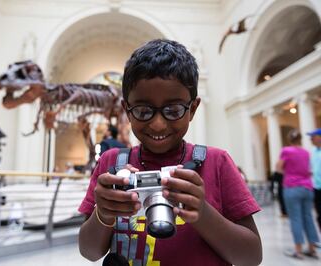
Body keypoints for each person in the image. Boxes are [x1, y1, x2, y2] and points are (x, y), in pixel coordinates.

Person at [78, 39, 262, 265]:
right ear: (127, 110)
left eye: (173, 110)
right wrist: (103, 214)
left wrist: (202, 212)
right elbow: (89, 251)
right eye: (144, 111)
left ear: (192, 109)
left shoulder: (216, 162)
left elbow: (251, 257)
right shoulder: (112, 164)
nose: (158, 125)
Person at [276, 129, 319, 259]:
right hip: (307, 187)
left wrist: (289, 174)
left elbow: (278, 168)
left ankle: (298, 250)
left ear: (290, 139)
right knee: (308, 217)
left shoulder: (286, 151)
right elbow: (308, 170)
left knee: (295, 218)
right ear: (300, 139)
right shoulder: (306, 152)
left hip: (292, 187)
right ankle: (312, 248)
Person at [307, 128, 321, 232]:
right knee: (319, 214)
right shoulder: (313, 152)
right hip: (316, 188)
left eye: (313, 137)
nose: (311, 139)